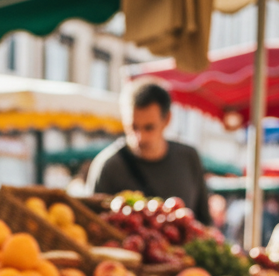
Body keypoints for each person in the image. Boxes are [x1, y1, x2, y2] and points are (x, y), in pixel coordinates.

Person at [86, 79, 210, 222]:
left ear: (167, 119)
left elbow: (204, 222)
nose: (140, 137)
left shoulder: (189, 157)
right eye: (133, 127)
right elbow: (94, 226)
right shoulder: (108, 166)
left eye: (149, 127)